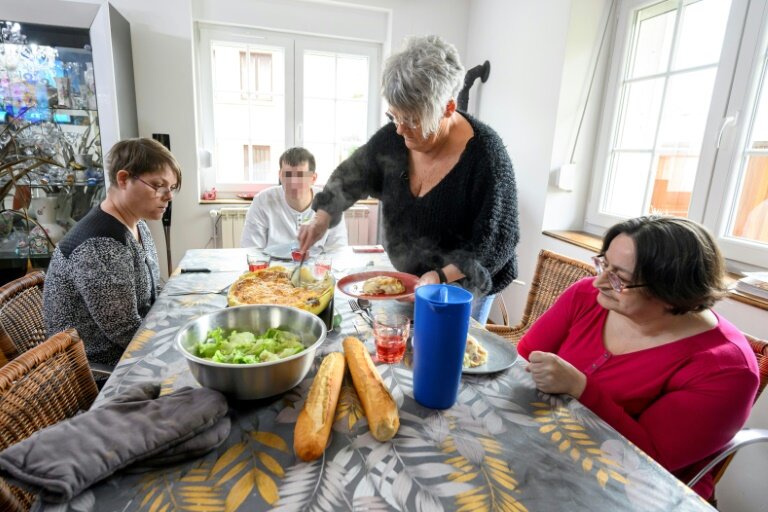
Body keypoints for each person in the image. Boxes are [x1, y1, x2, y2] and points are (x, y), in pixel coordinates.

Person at [518, 216, 759, 500]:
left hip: (643, 491)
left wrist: (581, 388)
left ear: (673, 294)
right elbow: (524, 358)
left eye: (619, 277)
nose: (599, 282)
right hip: (556, 445)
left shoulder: (726, 369)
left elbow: (654, 460)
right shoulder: (586, 295)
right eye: (603, 264)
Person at [298, 35, 519, 323]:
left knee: (447, 357)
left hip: (461, 285)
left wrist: (440, 277)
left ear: (448, 108)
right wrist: (321, 217)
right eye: (394, 117)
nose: (400, 130)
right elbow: (354, 172)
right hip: (409, 279)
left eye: (412, 121)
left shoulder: (487, 156)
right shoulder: (395, 136)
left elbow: (495, 243)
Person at [44, 137, 181, 370]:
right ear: (124, 179)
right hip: (99, 372)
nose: (168, 197)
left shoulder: (136, 223)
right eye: (159, 186)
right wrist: (181, 339)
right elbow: (126, 333)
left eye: (172, 188)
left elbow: (152, 293)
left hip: (130, 351)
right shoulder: (99, 245)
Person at [240, 147, 348, 253]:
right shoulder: (262, 201)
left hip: (316, 268)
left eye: (300, 176)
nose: (293, 183)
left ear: (313, 178)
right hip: (272, 268)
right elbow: (251, 250)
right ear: (280, 176)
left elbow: (337, 252)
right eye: (288, 175)